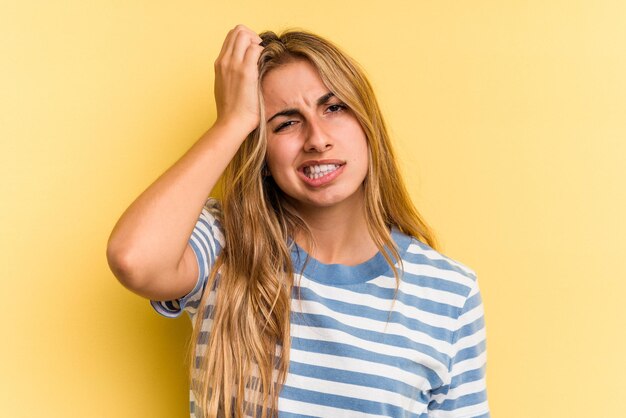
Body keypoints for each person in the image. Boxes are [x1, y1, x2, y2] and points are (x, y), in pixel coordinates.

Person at [107, 24, 489, 418]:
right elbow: (133, 259)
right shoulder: (224, 242)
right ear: (261, 151)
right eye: (286, 122)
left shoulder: (449, 292)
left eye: (334, 107)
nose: (317, 139)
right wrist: (231, 122)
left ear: (367, 125)